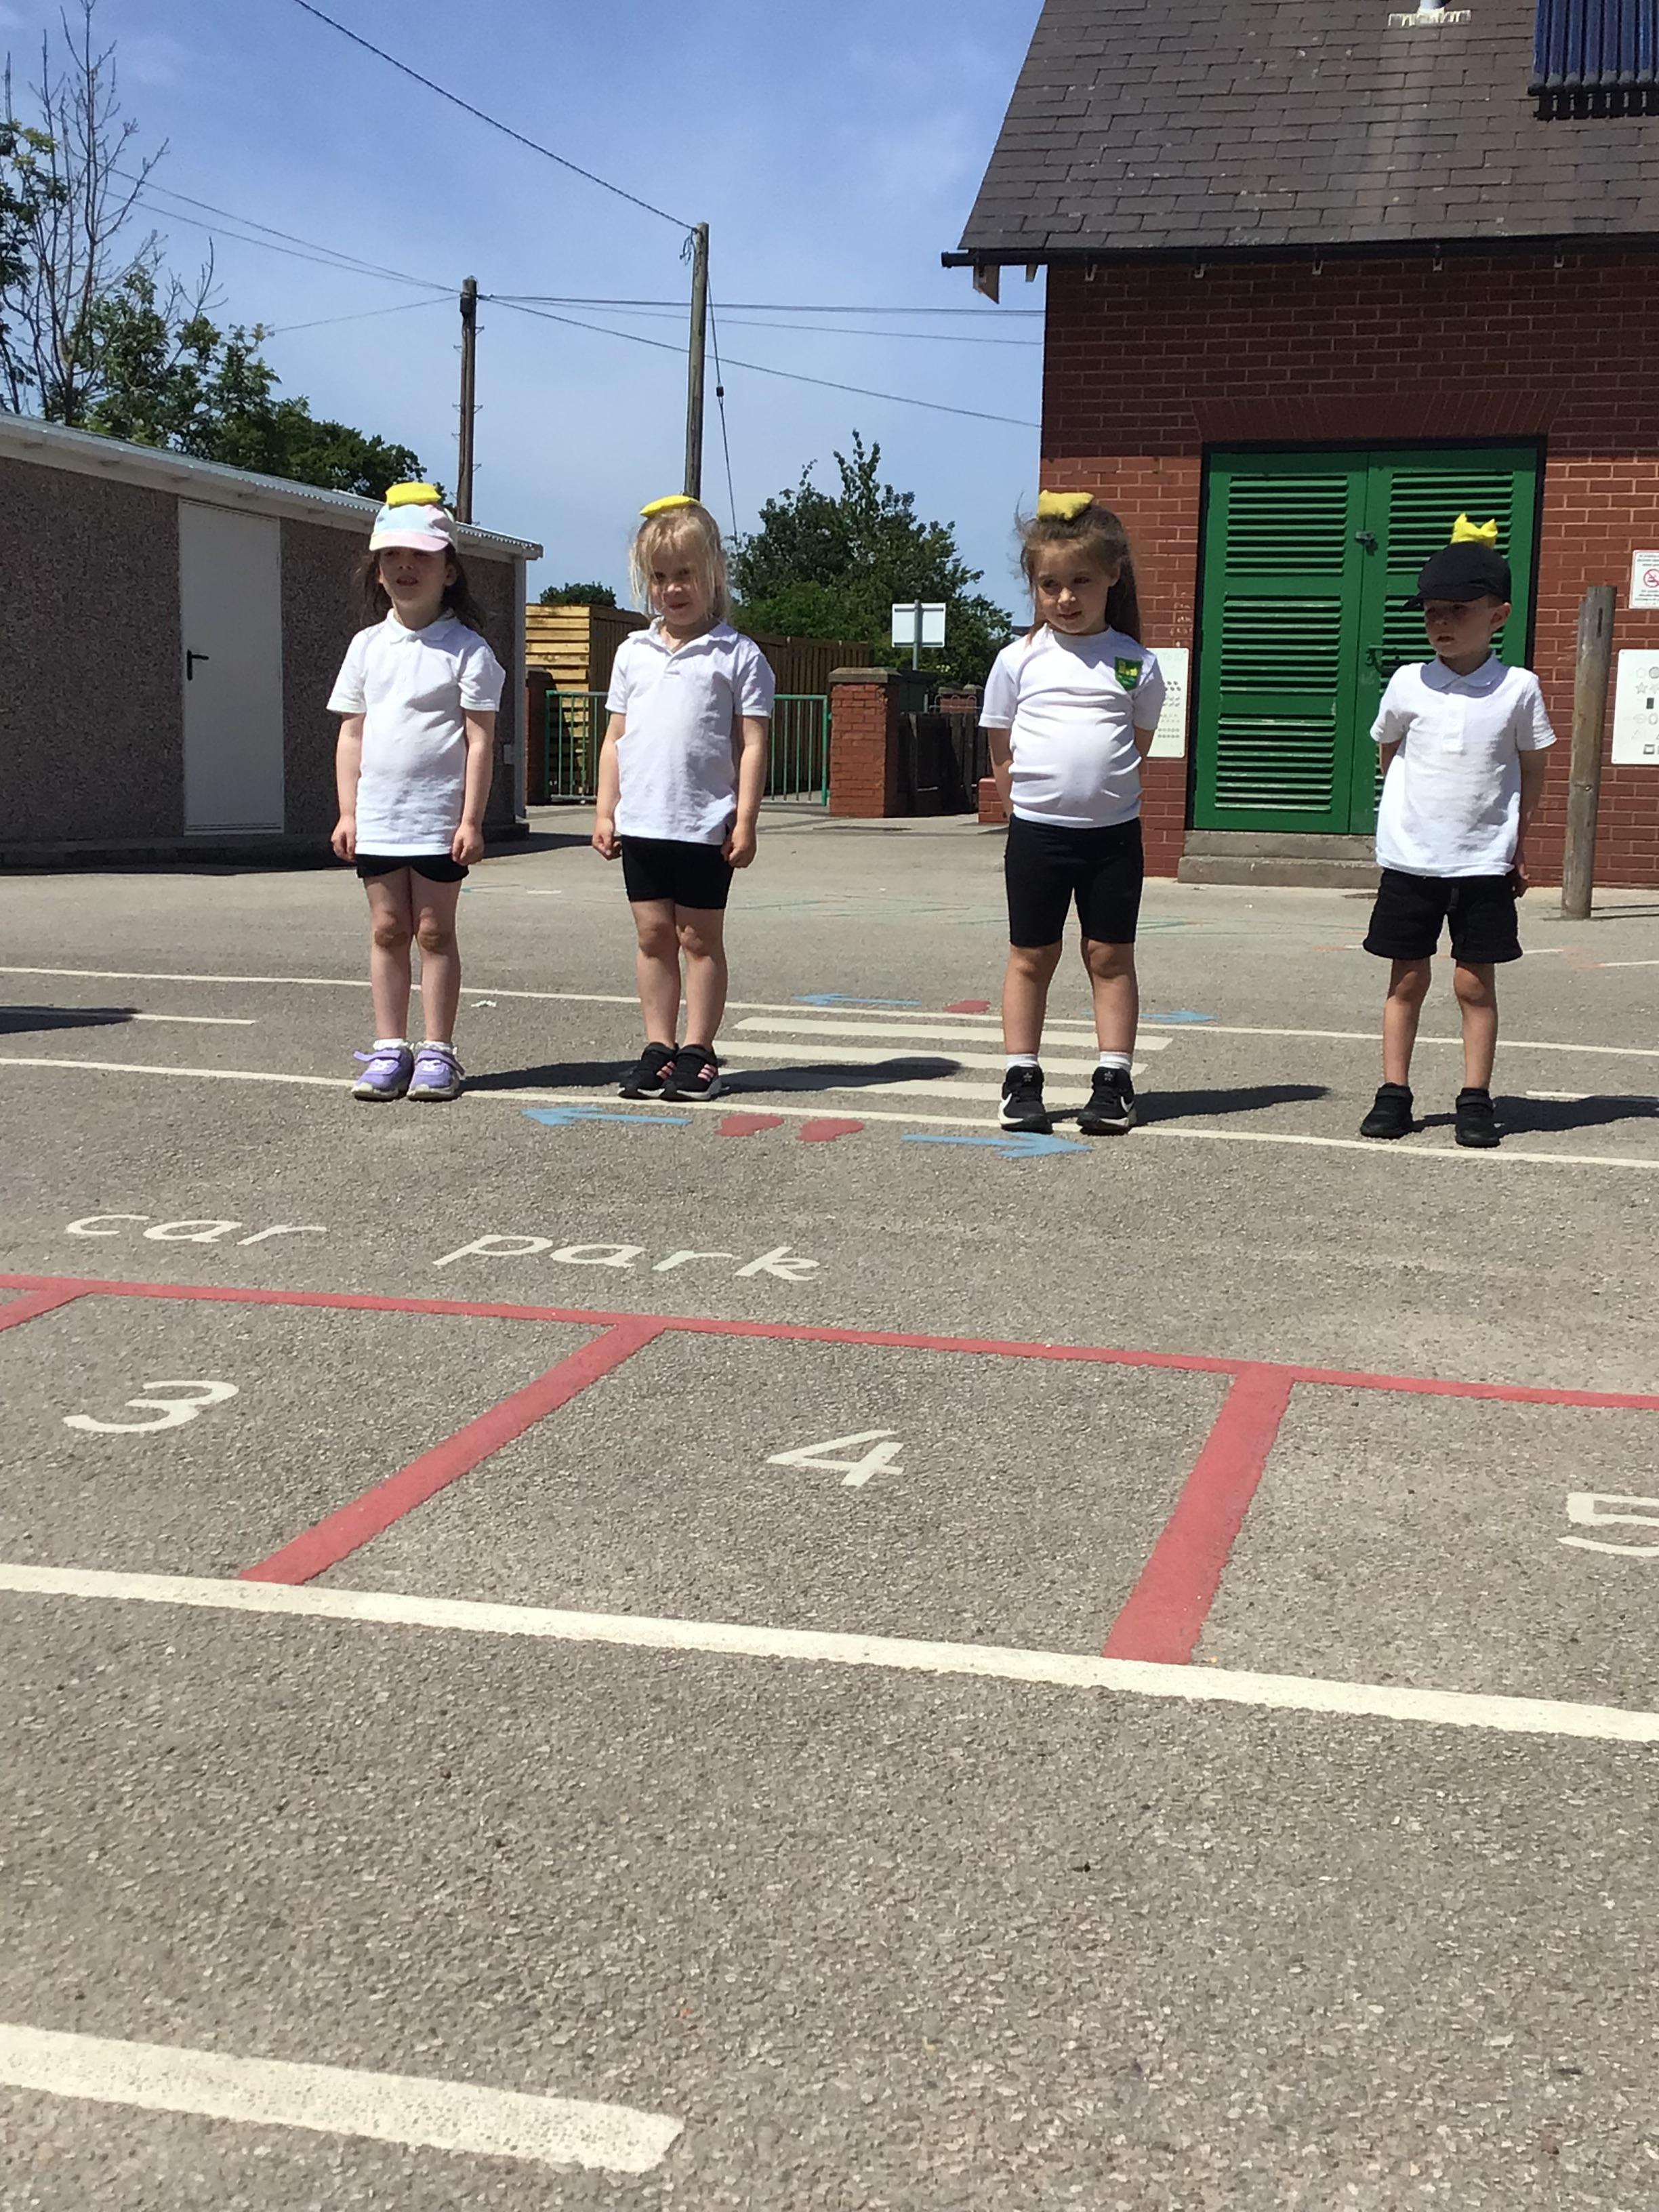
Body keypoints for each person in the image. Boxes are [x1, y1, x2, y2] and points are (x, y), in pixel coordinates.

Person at [1358, 518, 1555, 1149]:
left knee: (1474, 982)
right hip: (1413, 859)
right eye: (1431, 612)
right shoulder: (1408, 682)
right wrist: (1408, 815)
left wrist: (1519, 842)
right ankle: (1394, 1091)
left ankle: (1475, 1096)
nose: (1441, 623)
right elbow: (1389, 751)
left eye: (1458, 611)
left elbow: (1532, 768)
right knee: (1406, 978)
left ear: (1497, 616)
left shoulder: (1518, 689)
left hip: (1482, 861)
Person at [980, 491, 1166, 1136]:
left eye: (1081, 582)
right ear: (1033, 585)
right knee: (1030, 956)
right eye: (1049, 585)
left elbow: (1135, 744)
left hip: (1112, 839)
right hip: (1039, 837)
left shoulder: (1136, 663)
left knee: (1110, 956)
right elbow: (1001, 746)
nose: (1065, 598)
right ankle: (1021, 1077)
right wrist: (1019, 810)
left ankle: (1113, 1080)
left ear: (1112, 575)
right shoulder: (1017, 660)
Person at [594, 495, 775, 1102]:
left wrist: (745, 820)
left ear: (714, 572)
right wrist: (605, 810)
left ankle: (699, 1050)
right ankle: (658, 1046)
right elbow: (615, 739)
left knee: (699, 939)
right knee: (653, 937)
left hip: (704, 823)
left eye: (685, 574)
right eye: (660, 577)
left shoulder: (738, 655)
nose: (672, 589)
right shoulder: (632, 653)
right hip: (642, 822)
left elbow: (753, 745)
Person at [329, 483, 505, 1103]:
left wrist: (471, 820)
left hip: (437, 820)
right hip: (379, 818)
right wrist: (348, 812)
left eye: (420, 557)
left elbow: (479, 742)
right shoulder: (366, 647)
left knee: (433, 931)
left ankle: (438, 1051)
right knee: (386, 929)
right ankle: (388, 1048)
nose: (405, 568)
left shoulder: (468, 651)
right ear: (377, 571)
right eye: (392, 558)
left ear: (448, 571)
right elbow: (352, 733)